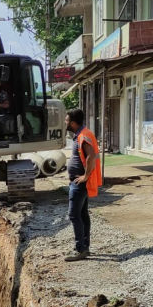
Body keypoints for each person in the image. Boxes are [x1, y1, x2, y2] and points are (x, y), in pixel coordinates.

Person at [64, 108, 101, 262]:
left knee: (74, 215)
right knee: (83, 214)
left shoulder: (83, 136)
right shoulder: (80, 134)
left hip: (79, 183)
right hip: (79, 182)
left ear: (72, 123)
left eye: (66, 120)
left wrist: (85, 176)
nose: (65, 122)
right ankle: (85, 247)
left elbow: (92, 156)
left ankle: (81, 249)